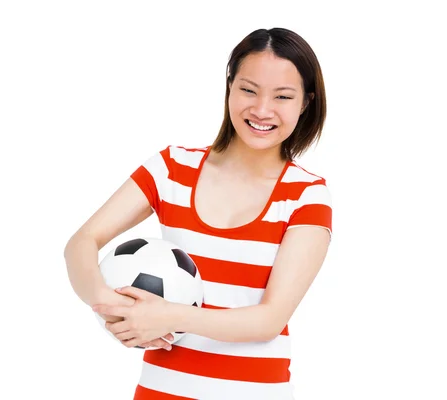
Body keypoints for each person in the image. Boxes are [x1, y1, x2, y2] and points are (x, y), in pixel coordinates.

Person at [64, 27, 333, 399]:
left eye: (283, 96)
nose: (261, 110)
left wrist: (168, 317)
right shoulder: (172, 168)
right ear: (229, 86)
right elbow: (81, 241)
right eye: (248, 90)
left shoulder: (307, 195)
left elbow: (269, 320)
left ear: (305, 103)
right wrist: (105, 302)